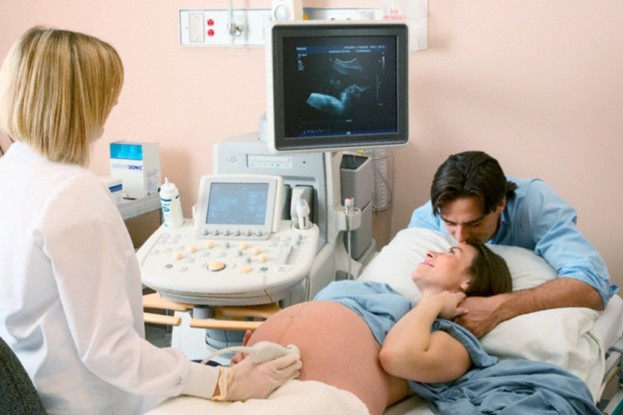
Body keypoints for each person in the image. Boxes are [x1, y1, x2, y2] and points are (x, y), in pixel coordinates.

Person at [0, 26, 301, 414]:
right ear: (80, 103)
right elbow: (110, 351)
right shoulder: (73, 195)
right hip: (92, 402)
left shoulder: (11, 173)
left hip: (36, 393)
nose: (114, 103)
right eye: (107, 94)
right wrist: (222, 382)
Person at [236, 240, 513, 415]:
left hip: (318, 402)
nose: (431, 251)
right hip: (245, 383)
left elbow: (396, 356)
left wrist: (435, 303)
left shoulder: (454, 341)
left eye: (452, 252)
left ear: (468, 282)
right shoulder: (382, 292)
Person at [408, 151, 618, 337]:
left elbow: (592, 285)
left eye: (475, 223)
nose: (460, 237)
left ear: (501, 204)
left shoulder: (534, 204)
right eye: (450, 223)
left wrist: (499, 307)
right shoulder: (427, 219)